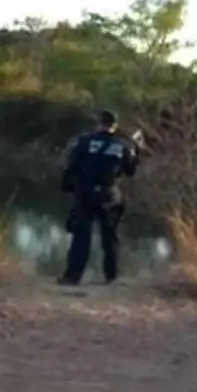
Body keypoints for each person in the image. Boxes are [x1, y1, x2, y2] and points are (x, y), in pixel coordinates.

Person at [57, 109, 141, 285]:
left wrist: (68, 188)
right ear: (115, 126)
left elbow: (70, 166)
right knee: (110, 237)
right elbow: (130, 171)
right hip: (109, 194)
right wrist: (137, 151)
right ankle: (111, 277)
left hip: (85, 193)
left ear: (98, 123)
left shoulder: (84, 141)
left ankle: (72, 277)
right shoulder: (123, 146)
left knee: (81, 236)